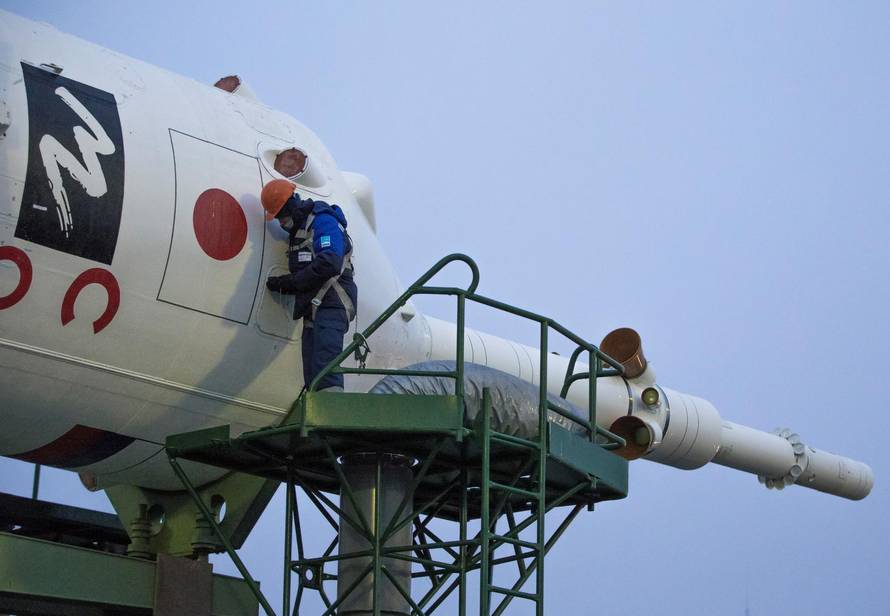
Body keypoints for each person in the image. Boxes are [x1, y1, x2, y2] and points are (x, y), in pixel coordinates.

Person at [261, 179, 357, 392]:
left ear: (290, 207)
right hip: (313, 307)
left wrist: (290, 283)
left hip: (333, 302)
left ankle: (330, 408)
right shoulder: (299, 232)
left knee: (326, 368)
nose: (280, 223)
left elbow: (330, 262)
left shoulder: (322, 221)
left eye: (281, 216)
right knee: (312, 372)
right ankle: (316, 404)